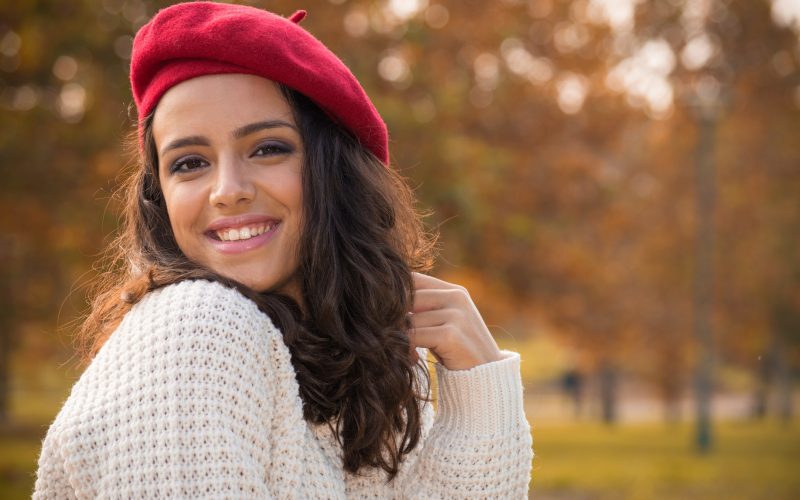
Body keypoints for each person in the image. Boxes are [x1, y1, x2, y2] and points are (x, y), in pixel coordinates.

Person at [32, 2, 533, 498]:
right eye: (189, 163)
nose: (228, 190)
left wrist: (480, 386)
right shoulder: (195, 330)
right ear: (159, 194)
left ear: (334, 171)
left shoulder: (359, 365)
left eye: (267, 149)